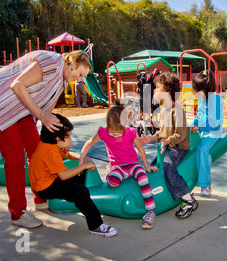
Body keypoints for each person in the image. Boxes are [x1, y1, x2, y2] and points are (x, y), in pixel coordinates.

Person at [0, 50, 92, 228]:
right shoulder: (51, 63)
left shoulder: (62, 80)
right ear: (72, 63)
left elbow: (47, 114)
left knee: (37, 151)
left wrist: (56, 143)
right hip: (0, 100)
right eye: (79, 74)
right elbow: (17, 85)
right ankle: (18, 213)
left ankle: (42, 196)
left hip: (22, 108)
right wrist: (40, 115)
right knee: (15, 158)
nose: (79, 80)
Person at [28, 114, 117, 237]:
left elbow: (68, 155)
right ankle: (96, 225)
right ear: (58, 139)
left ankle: (80, 203)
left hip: (50, 181)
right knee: (81, 191)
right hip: (45, 188)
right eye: (68, 136)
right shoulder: (49, 150)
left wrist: (83, 159)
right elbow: (64, 175)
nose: (70, 139)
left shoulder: (52, 145)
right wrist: (83, 166)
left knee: (81, 176)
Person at [79, 100, 159, 229]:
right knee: (112, 181)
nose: (115, 134)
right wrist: (82, 156)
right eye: (112, 132)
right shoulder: (103, 132)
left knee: (143, 178)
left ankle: (150, 212)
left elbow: (140, 149)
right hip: (118, 167)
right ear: (107, 125)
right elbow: (89, 142)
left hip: (133, 164)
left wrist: (147, 165)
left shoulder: (130, 132)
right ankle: (111, 171)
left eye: (118, 132)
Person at [139, 72, 198, 219]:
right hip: (168, 146)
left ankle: (188, 200)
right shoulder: (164, 109)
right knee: (154, 168)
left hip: (177, 147)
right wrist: (150, 138)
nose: (154, 90)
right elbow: (162, 132)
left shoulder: (176, 109)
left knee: (168, 169)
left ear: (167, 92)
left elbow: (180, 135)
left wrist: (166, 141)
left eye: (157, 87)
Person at [189, 70, 224, 197]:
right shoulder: (202, 99)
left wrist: (199, 128)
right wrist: (191, 125)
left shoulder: (216, 99)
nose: (194, 93)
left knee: (202, 150)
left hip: (214, 132)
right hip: (204, 131)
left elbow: (215, 123)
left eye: (197, 90)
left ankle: (205, 184)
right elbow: (198, 116)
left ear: (205, 89)